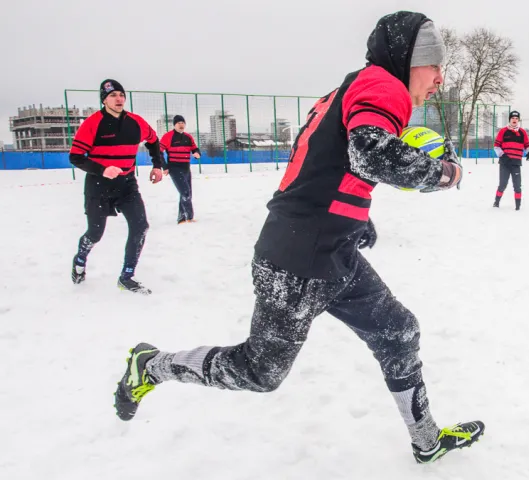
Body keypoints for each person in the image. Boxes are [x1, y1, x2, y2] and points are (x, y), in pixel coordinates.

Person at [113, 12, 483, 464]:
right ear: (407, 60)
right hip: (300, 259)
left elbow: (319, 160)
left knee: (398, 332)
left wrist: (353, 215)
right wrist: (444, 174)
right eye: (434, 65)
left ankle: (425, 440)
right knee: (259, 372)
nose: (440, 79)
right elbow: (369, 153)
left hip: (327, 250)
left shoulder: (351, 87)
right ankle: (151, 365)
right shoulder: (384, 84)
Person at [69, 79, 164, 295]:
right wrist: (102, 169)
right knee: (95, 233)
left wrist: (157, 165)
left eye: (121, 94)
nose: (119, 99)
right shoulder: (92, 123)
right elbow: (75, 157)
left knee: (141, 226)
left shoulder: (136, 122)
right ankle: (80, 259)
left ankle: (127, 276)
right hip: (98, 185)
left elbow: (153, 140)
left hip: (126, 184)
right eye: (113, 95)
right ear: (104, 100)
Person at [160, 115, 201, 224]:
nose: (181, 125)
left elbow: (195, 148)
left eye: (183, 123)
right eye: (179, 123)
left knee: (186, 193)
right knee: (185, 192)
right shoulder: (168, 136)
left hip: (186, 168)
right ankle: (189, 217)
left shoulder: (188, 137)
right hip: (174, 168)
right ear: (174, 124)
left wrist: (197, 153)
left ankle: (182, 218)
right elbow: (158, 152)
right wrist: (165, 166)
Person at [493, 110, 529, 210]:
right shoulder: (503, 131)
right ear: (509, 119)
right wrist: (503, 156)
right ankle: (496, 203)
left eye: (516, 118)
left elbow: (527, 145)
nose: (514, 120)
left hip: (516, 163)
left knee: (517, 186)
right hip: (505, 163)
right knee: (502, 184)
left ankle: (518, 207)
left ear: (518, 120)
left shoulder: (522, 132)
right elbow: (496, 146)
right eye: (512, 118)